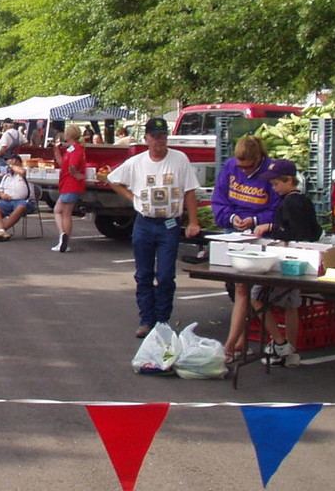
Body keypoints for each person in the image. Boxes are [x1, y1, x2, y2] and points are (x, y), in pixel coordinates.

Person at [108, 117, 201, 338]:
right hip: (145, 222)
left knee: (166, 275)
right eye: (155, 136)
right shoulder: (137, 162)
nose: (160, 141)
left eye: (163, 136)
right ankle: (146, 320)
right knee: (144, 274)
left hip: (169, 223)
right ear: (146, 138)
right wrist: (133, 198)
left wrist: (194, 221)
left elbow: (189, 191)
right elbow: (113, 179)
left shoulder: (179, 159)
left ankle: (162, 320)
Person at [211, 136, 283, 361]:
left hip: (260, 236)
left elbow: (278, 209)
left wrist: (254, 220)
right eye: (240, 167)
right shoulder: (230, 167)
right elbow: (219, 200)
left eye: (248, 167)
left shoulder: (271, 171)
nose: (243, 170)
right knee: (237, 288)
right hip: (233, 233)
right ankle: (241, 340)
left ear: (258, 158)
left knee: (249, 291)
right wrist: (231, 218)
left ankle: (236, 343)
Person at [252, 158, 323, 367]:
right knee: (291, 304)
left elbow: (296, 233)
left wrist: (275, 232)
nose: (274, 189)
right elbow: (313, 230)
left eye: (276, 184)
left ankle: (281, 343)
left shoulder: (290, 202)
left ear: (289, 180)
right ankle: (291, 351)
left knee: (256, 297)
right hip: (300, 262)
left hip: (289, 261)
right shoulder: (301, 200)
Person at [51, 124, 86, 253]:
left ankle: (64, 237)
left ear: (69, 135)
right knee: (58, 210)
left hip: (71, 185)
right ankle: (63, 237)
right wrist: (56, 151)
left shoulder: (75, 150)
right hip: (68, 185)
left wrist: (76, 174)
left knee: (65, 213)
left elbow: (72, 166)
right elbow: (63, 164)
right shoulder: (72, 149)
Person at [0, 157, 37, 241]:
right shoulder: (6, 177)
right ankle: (1, 231)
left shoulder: (27, 172)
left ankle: (1, 230)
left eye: (10, 165)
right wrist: (2, 195)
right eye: (8, 165)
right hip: (7, 201)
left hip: (24, 201)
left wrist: (12, 165)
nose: (8, 167)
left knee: (21, 207)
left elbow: (22, 172)